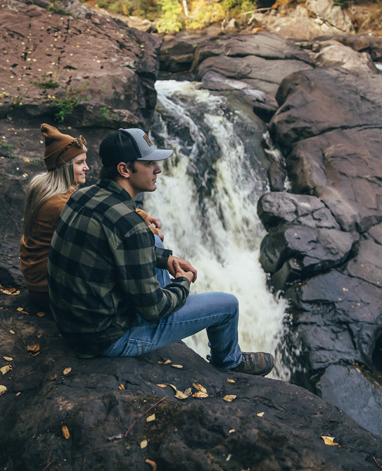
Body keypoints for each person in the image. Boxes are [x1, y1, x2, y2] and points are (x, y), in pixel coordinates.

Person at [48, 128, 274, 375]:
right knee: (227, 305)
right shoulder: (131, 224)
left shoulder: (82, 195)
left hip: (71, 324)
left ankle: (167, 303)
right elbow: (152, 310)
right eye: (149, 163)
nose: (158, 169)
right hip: (107, 340)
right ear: (124, 170)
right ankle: (230, 361)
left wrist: (166, 258)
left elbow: (111, 247)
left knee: (155, 244)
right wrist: (182, 283)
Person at [20, 124, 167, 309]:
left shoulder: (47, 190)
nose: (87, 168)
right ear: (64, 166)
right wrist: (150, 231)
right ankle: (159, 308)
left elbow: (102, 208)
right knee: (148, 242)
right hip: (48, 289)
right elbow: (107, 218)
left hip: (40, 280)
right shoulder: (60, 204)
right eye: (80, 162)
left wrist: (141, 214)